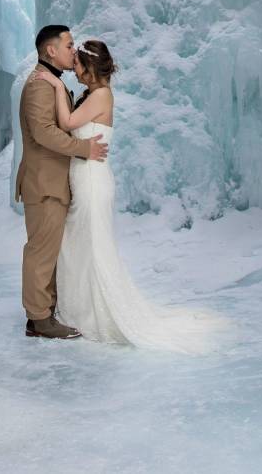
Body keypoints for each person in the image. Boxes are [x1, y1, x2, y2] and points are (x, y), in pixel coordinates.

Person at [32, 38, 227, 353]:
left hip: (92, 181)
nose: (74, 70)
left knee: (92, 246)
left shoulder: (101, 95)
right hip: (84, 178)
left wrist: (54, 86)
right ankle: (80, 310)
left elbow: (67, 123)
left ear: (91, 68)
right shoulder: (94, 95)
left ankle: (96, 313)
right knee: (79, 245)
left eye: (78, 65)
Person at [16, 24, 108, 340]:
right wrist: (84, 149)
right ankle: (39, 319)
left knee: (50, 251)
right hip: (44, 183)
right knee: (41, 252)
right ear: (51, 50)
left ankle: (44, 313)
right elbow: (43, 132)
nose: (74, 51)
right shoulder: (40, 85)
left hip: (53, 182)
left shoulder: (51, 82)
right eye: (69, 45)